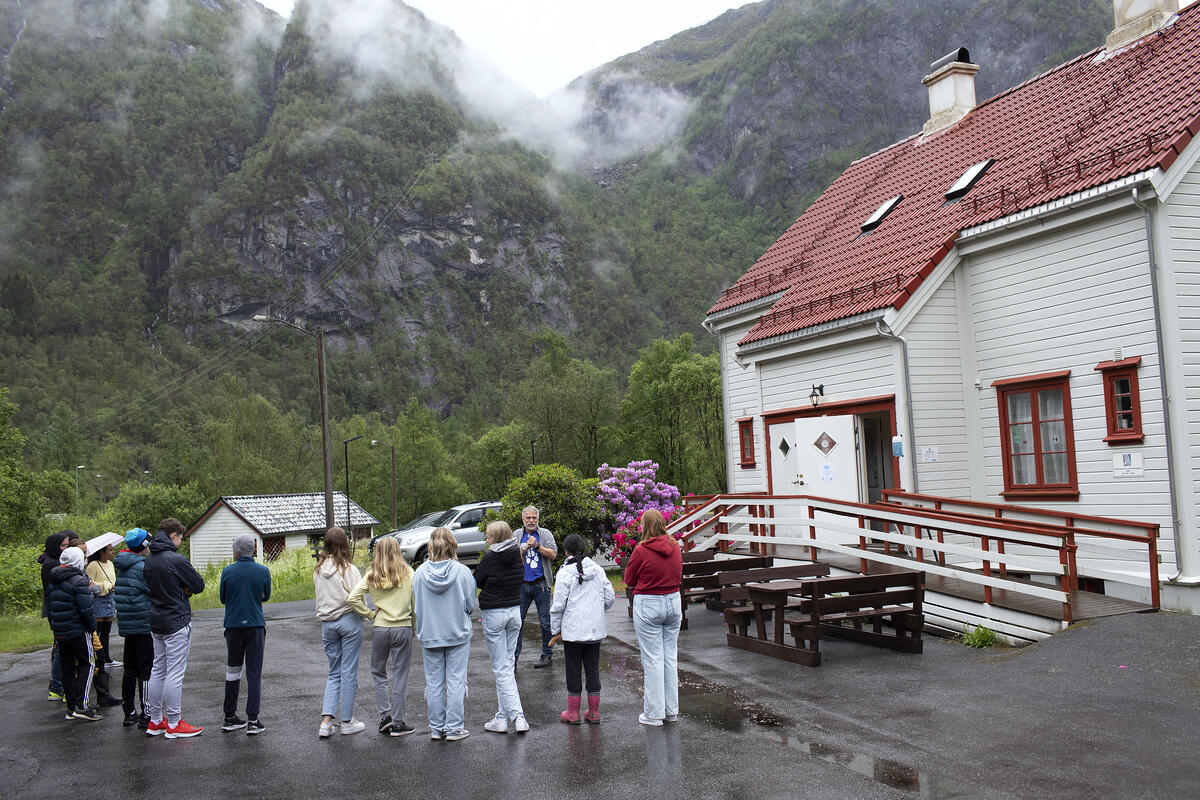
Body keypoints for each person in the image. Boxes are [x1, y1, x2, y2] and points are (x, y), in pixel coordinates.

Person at [412, 527, 476, 742]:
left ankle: (436, 727)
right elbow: (470, 604)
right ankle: (455, 728)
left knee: (433, 683)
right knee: (456, 681)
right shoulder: (462, 572)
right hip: (457, 632)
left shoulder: (419, 573)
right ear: (452, 545)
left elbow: (417, 603)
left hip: (430, 633)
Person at [348, 536, 416, 738]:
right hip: (402, 626)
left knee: (378, 671)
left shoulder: (372, 574)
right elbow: (415, 604)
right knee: (400, 674)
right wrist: (414, 627)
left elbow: (352, 598)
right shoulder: (408, 573)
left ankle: (385, 716)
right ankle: (398, 722)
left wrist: (369, 614)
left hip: (381, 628)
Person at [144, 517, 206, 739]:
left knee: (157, 669)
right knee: (175, 672)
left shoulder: (149, 560)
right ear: (173, 536)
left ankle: (155, 720)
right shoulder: (177, 560)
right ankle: (173, 721)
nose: (181, 541)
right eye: (180, 537)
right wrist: (184, 589)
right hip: (176, 620)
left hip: (156, 619)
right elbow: (198, 584)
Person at [622, 509, 683, 727]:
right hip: (673, 600)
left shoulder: (641, 549)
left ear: (645, 526)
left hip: (649, 602)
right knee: (669, 657)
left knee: (653, 659)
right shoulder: (675, 546)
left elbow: (628, 578)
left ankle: (654, 714)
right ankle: (671, 711)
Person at [549, 534, 616, 724]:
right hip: (594, 630)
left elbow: (558, 606)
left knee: (573, 670)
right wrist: (597, 610)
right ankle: (594, 712)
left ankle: (573, 713)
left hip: (573, 631)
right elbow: (610, 597)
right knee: (593, 669)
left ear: (566, 551)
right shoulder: (598, 570)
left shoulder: (564, 573)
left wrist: (555, 630)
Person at [473, 520, 528, 734]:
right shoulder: (518, 553)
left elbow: (477, 581)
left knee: (501, 667)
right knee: (507, 665)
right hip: (514, 611)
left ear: (496, 537)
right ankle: (501, 717)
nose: (486, 539)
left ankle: (518, 716)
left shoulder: (490, 556)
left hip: (494, 613)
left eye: (488, 536)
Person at [313, 527, 368, 738]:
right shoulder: (348, 569)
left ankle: (326, 722)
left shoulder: (318, 570)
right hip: (348, 620)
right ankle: (347, 721)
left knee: (334, 671)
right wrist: (365, 615)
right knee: (349, 671)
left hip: (327, 623)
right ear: (344, 544)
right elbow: (358, 596)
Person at [219, 534, 271, 735]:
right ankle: (253, 720)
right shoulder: (262, 571)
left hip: (233, 625)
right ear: (253, 550)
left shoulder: (227, 571)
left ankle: (229, 715)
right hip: (255, 625)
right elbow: (266, 596)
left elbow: (223, 598)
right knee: (253, 672)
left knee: (233, 671)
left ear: (236, 551)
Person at [48, 545, 101, 721]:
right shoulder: (78, 580)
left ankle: (71, 707)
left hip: (60, 630)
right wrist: (92, 627)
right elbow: (85, 609)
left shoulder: (53, 579)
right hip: (78, 629)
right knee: (88, 664)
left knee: (67, 667)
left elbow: (50, 605)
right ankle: (82, 706)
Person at [115, 528, 153, 728]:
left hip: (128, 624)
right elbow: (152, 590)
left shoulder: (123, 565)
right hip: (143, 623)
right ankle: (147, 712)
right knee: (146, 670)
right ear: (144, 545)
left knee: (130, 669)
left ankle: (129, 711)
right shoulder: (142, 567)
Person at [513, 506, 558, 668]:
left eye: (534, 518)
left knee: (545, 623)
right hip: (521, 585)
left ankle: (547, 655)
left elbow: (553, 554)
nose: (531, 521)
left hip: (541, 585)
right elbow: (510, 557)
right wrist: (522, 550)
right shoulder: (516, 535)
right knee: (517, 623)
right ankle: (513, 657)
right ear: (523, 520)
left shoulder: (545, 534)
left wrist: (537, 546)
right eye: (528, 518)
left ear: (538, 519)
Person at [85, 542, 122, 707]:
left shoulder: (111, 564)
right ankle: (98, 657)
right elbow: (90, 583)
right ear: (102, 552)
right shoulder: (93, 565)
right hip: (99, 598)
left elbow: (113, 579)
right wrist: (106, 585)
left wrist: (112, 586)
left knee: (107, 630)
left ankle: (107, 657)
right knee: (98, 631)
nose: (112, 552)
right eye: (110, 550)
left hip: (109, 598)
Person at [39, 531, 72, 703]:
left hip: (58, 608)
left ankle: (59, 686)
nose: (66, 549)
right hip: (57, 609)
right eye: (63, 546)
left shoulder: (54, 562)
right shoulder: (51, 564)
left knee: (61, 648)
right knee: (61, 648)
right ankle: (58, 686)